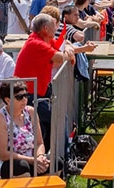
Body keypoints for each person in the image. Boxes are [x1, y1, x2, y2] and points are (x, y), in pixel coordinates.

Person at [13, 14, 71, 152]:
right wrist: (68, 53)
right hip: (28, 96)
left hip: (37, 93)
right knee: (57, 119)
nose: (56, 28)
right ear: (46, 28)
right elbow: (59, 57)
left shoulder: (44, 40)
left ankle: (49, 158)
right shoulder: (36, 43)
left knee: (48, 125)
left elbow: (59, 50)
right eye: (54, 26)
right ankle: (59, 159)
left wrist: (70, 49)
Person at [0, 81, 49, 179]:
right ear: (7, 100)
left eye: (26, 95)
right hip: (7, 161)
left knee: (55, 162)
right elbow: (3, 154)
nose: (24, 99)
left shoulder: (31, 112)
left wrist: (40, 157)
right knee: (22, 166)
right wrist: (32, 160)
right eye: (19, 97)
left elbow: (39, 143)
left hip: (32, 158)